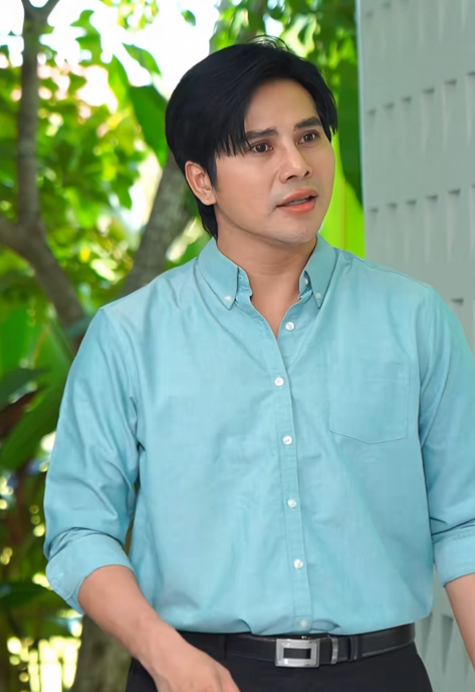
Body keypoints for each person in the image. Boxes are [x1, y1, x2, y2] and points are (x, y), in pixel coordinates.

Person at [43, 38, 475, 692]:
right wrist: (164, 655)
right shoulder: (129, 336)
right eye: (259, 147)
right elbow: (80, 531)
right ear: (201, 181)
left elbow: (464, 522)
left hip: (379, 672)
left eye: (309, 136)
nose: (295, 165)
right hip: (193, 673)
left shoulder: (414, 319)